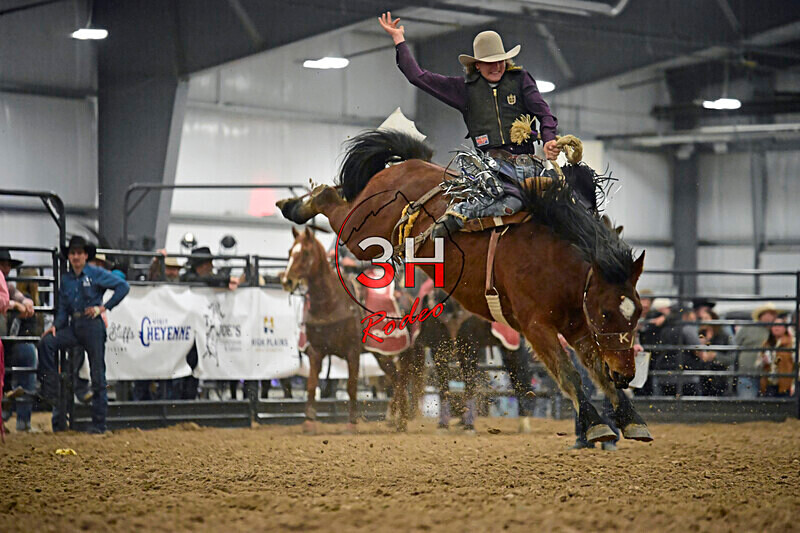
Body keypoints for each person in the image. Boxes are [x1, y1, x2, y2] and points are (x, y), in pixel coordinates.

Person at [378, 12, 560, 236]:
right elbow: (418, 76)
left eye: (499, 61)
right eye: (489, 63)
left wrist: (550, 138)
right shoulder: (464, 89)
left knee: (564, 197)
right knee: (512, 203)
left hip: (528, 165)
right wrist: (399, 40)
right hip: (491, 169)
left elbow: (544, 113)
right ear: (477, 66)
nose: (496, 67)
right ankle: (461, 212)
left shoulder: (521, 80)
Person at [38, 236, 130, 433]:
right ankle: (50, 389)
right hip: (75, 325)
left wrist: (102, 308)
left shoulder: (96, 273)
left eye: (79, 253)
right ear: (70, 256)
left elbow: (123, 287)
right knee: (47, 343)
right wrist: (56, 325)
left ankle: (98, 423)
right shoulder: (67, 279)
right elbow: (63, 309)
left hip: (92, 326)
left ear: (85, 255)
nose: (76, 256)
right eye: (73, 253)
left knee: (97, 374)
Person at [734, 303, 780, 398]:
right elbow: (734, 347)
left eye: (772, 314)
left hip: (769, 378)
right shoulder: (748, 328)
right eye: (767, 314)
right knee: (747, 403)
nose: (770, 317)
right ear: (761, 315)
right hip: (747, 373)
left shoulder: (777, 330)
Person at [696, 307, 733, 396]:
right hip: (702, 377)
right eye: (701, 319)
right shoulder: (698, 335)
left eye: (706, 318)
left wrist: (715, 355)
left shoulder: (723, 336)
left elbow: (731, 358)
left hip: (719, 377)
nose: (703, 321)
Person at [758, 314, 794, 397]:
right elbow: (758, 363)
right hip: (769, 383)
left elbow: (797, 364)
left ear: (785, 329)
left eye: (779, 326)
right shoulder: (766, 343)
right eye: (774, 325)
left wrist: (794, 385)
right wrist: (763, 361)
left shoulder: (792, 343)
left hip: (786, 384)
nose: (776, 328)